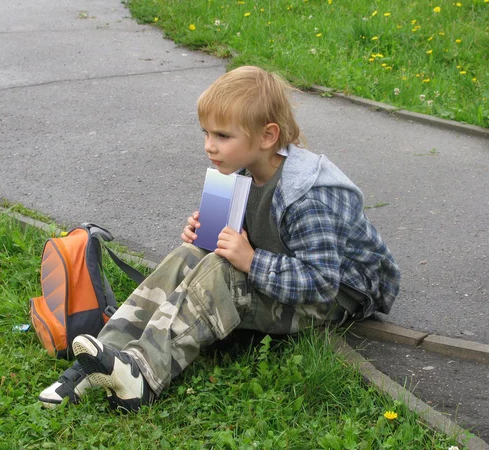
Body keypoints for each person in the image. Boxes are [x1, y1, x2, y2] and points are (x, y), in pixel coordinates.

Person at [38, 66, 400, 412]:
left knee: (222, 272)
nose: (210, 146)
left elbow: (322, 282)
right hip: (288, 270)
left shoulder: (307, 195)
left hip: (340, 296)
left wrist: (251, 261)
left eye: (223, 136)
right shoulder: (241, 170)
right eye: (206, 133)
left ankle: (140, 375)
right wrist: (203, 237)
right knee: (190, 255)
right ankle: (101, 356)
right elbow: (227, 244)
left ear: (268, 136)